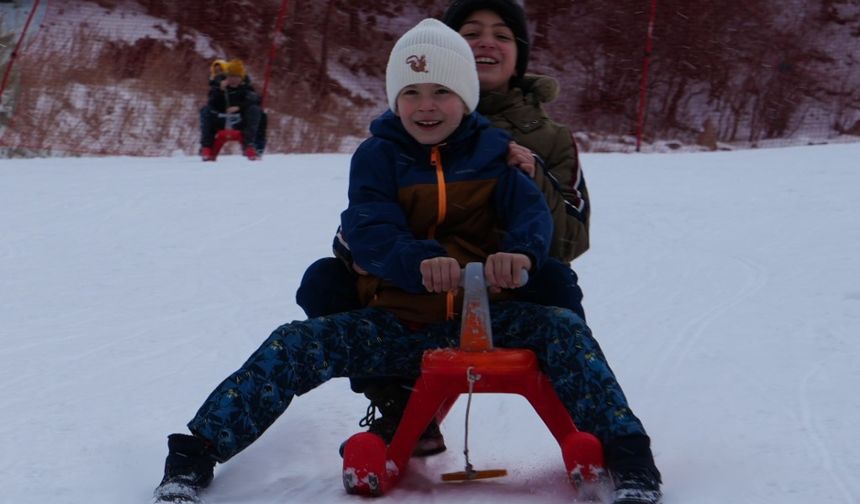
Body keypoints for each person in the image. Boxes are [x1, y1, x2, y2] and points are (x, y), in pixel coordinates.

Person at [154, 19, 659, 504]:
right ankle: (196, 452)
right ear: (395, 99)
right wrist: (420, 261)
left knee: (563, 327)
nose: (426, 107)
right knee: (296, 342)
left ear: (466, 96)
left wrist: (519, 254)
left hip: (488, 317)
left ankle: (627, 454)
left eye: (441, 92)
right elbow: (369, 228)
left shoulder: (495, 154)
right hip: (400, 322)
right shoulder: (377, 156)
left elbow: (531, 217)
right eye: (412, 93)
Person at [296, 0, 591, 461]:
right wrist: (365, 249)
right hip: (420, 283)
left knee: (555, 278)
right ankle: (396, 398)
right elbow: (368, 218)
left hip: (502, 287)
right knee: (325, 280)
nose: (486, 42)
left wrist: (530, 184)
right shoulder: (408, 125)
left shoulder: (548, 138)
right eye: (471, 32)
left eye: (502, 34)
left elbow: (571, 238)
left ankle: (586, 410)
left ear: (520, 52)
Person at [198, 59, 264, 161]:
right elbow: (212, 102)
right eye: (231, 76)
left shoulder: (246, 88)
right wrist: (220, 90)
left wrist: (239, 107)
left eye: (237, 76)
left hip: (240, 120)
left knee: (256, 111)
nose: (233, 79)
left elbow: (255, 99)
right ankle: (206, 147)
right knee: (206, 110)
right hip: (221, 119)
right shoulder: (218, 84)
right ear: (227, 76)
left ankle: (249, 146)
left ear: (241, 78)